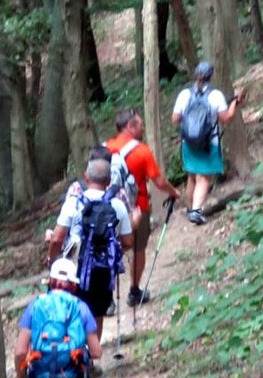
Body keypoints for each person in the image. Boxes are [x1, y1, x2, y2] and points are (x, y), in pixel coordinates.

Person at [46, 156, 133, 346]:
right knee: (97, 313)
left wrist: (52, 260)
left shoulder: (73, 203)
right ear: (109, 181)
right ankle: (89, 359)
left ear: (86, 177)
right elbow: (127, 241)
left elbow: (57, 238)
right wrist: (112, 250)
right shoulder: (117, 205)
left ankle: (71, 356)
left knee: (70, 310)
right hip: (103, 268)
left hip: (73, 267)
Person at [107, 108, 180, 307]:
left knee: (110, 250)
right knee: (138, 248)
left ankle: (107, 299)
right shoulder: (141, 151)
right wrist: (173, 192)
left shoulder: (105, 149)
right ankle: (134, 290)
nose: (142, 128)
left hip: (108, 211)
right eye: (139, 125)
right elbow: (159, 181)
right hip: (137, 208)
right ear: (129, 127)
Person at [171, 60, 244, 225]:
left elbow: (175, 119)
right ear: (211, 76)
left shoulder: (184, 94)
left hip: (188, 142)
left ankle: (190, 209)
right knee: (204, 178)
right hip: (208, 143)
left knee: (192, 176)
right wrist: (234, 104)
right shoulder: (215, 95)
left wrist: (190, 121)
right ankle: (196, 212)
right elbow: (227, 119)